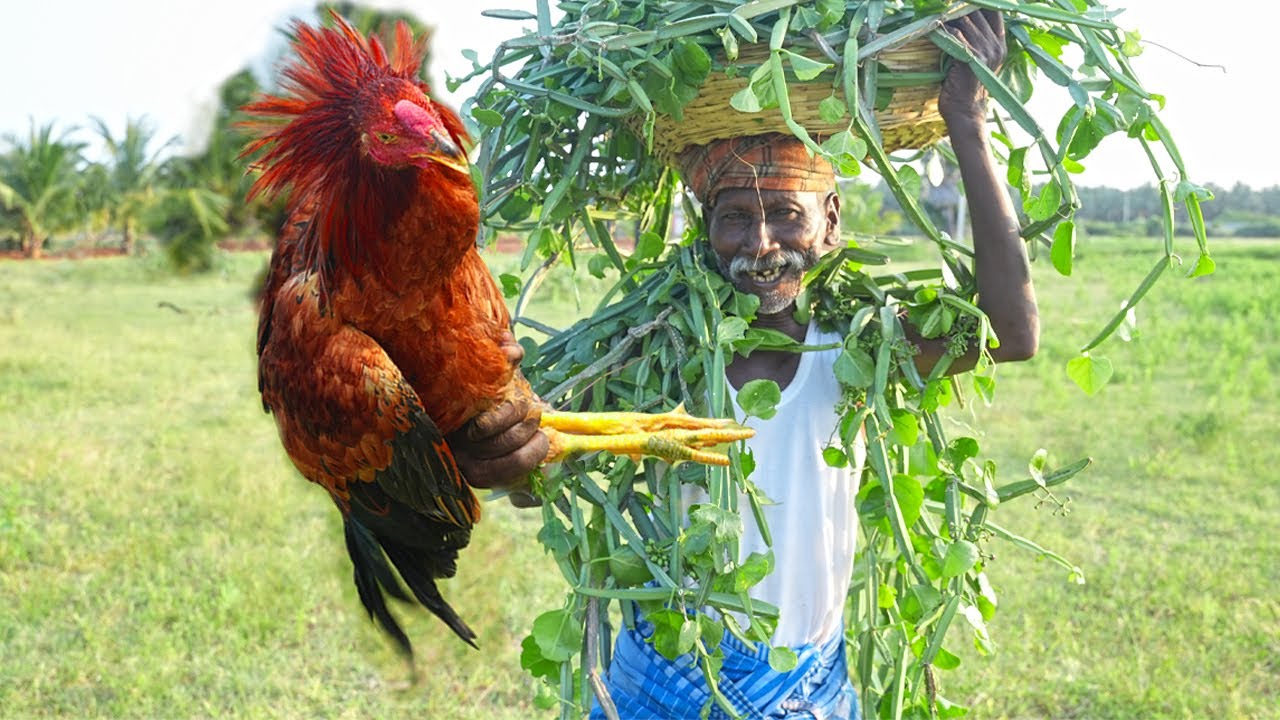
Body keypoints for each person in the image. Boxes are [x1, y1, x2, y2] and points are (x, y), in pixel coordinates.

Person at [450, 9, 1035, 719]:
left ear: (830, 225)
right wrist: (510, 455)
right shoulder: (645, 353)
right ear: (706, 231)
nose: (761, 244)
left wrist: (967, 123)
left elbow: (1011, 332)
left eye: (786, 215)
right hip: (661, 683)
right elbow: (537, 470)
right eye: (733, 217)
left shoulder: (859, 349)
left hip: (810, 687)